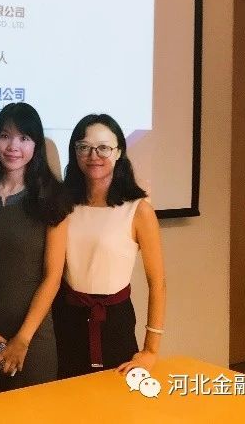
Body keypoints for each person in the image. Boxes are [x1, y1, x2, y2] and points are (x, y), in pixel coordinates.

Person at [0, 103, 70, 394]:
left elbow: (52, 277)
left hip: (33, 339)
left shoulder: (52, 197)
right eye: (5, 136)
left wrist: (22, 339)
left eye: (24, 138)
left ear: (36, 145)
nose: (13, 146)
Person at [53, 113, 166, 378]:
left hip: (115, 321)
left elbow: (158, 282)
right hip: (65, 317)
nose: (93, 155)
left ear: (119, 152)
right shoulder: (64, 205)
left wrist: (151, 350)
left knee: (116, 398)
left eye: (103, 147)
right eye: (84, 147)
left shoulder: (138, 210)